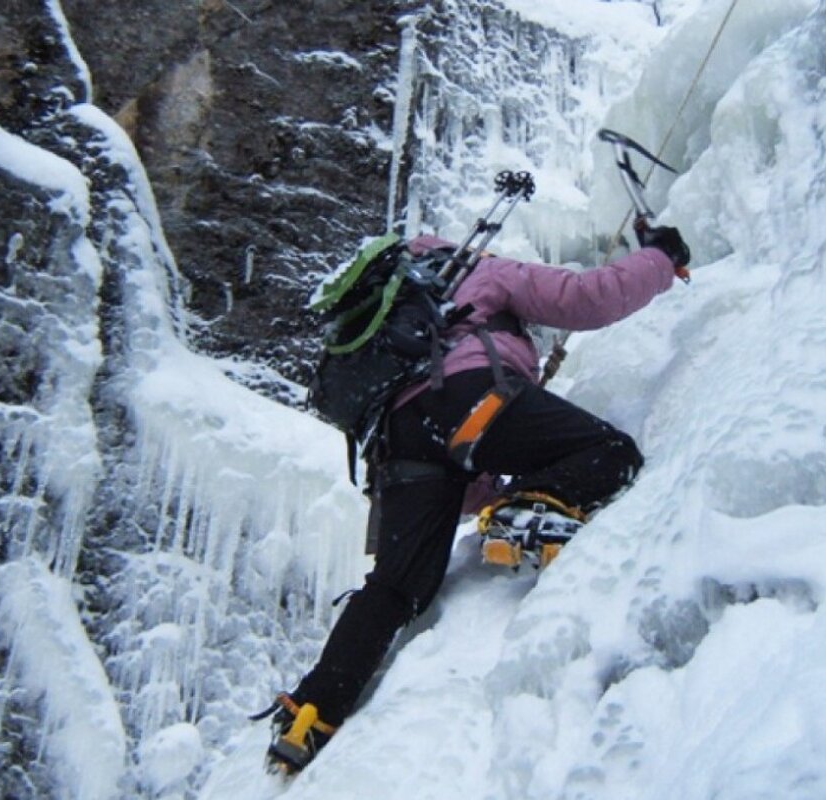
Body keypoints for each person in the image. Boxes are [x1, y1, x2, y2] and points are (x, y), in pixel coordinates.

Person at [262, 224, 692, 773]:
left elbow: (464, 491)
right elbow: (587, 298)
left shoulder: (397, 323)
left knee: (397, 586)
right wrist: (659, 257)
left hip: (400, 445)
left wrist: (498, 485)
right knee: (610, 453)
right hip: (466, 400)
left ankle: (311, 712)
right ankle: (528, 518)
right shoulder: (479, 270)